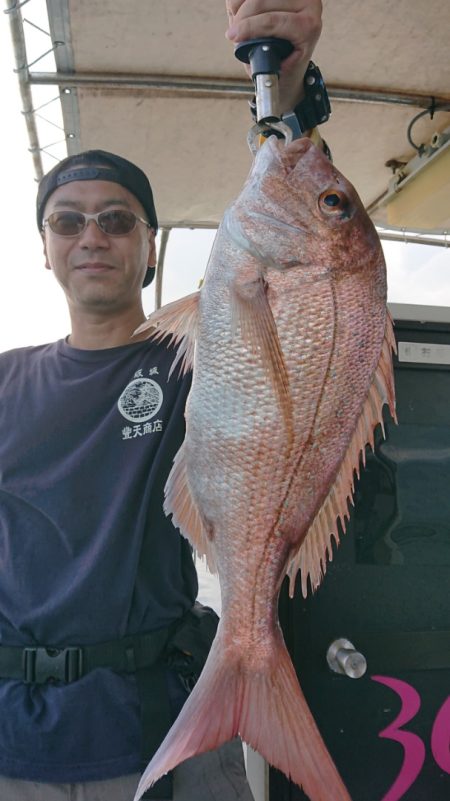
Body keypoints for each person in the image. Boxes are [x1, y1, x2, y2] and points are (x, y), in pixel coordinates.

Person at [0, 2, 324, 799]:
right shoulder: (6, 379)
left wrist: (285, 95)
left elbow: (304, 280)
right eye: (68, 221)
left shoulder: (201, 358)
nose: (92, 236)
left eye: (117, 220)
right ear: (45, 249)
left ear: (150, 247)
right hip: (16, 738)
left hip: (160, 726)